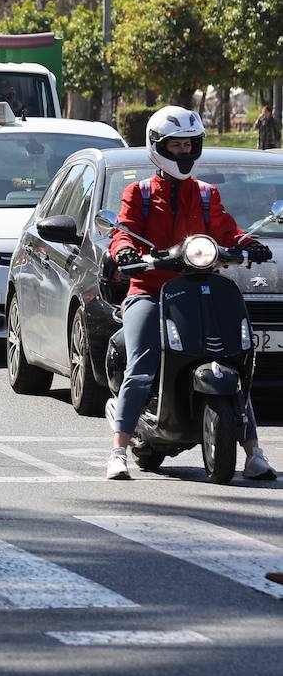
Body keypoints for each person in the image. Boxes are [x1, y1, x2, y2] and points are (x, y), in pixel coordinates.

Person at [107, 105, 276, 481]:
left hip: (200, 288)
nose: (184, 152)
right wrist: (125, 252)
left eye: (189, 145)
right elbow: (123, 230)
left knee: (232, 360)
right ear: (157, 147)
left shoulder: (205, 195)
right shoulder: (140, 192)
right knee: (142, 364)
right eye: (176, 145)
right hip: (150, 291)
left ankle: (253, 453)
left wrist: (250, 244)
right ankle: (118, 450)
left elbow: (227, 231)